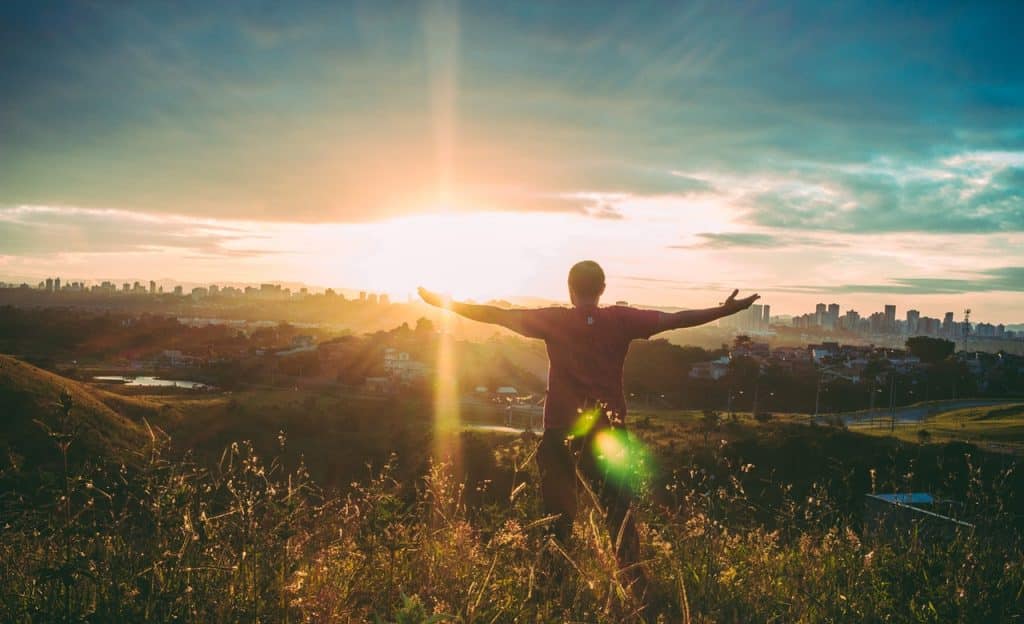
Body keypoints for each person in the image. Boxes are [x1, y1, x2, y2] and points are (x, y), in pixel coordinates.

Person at [418, 260, 758, 595]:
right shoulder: (621, 320)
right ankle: (634, 585)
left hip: (560, 432)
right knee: (618, 512)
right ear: (603, 289)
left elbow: (496, 314)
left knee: (557, 515)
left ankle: (552, 587)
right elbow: (677, 320)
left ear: (569, 289)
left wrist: (445, 303)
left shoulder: (554, 320)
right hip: (608, 431)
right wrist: (724, 311)